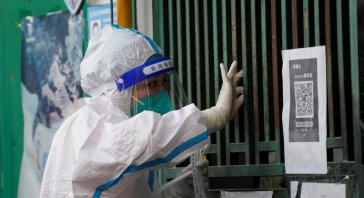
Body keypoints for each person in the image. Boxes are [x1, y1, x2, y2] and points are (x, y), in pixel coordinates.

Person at [40, 25, 243, 198]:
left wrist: (171, 192)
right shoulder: (92, 125)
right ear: (119, 88)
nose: (162, 93)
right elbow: (146, 135)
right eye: (152, 83)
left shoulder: (117, 127)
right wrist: (217, 114)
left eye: (164, 83)